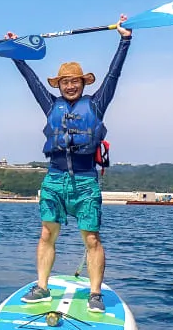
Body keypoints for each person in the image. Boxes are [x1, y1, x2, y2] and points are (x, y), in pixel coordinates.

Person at [7, 16, 132, 312]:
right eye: (65, 82)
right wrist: (15, 52)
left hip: (86, 181)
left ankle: (95, 294)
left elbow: (113, 75)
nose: (70, 86)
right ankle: (42, 287)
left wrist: (125, 40)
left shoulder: (96, 104)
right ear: (59, 85)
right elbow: (31, 80)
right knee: (46, 233)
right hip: (54, 178)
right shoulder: (51, 104)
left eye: (75, 81)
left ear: (83, 83)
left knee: (92, 239)